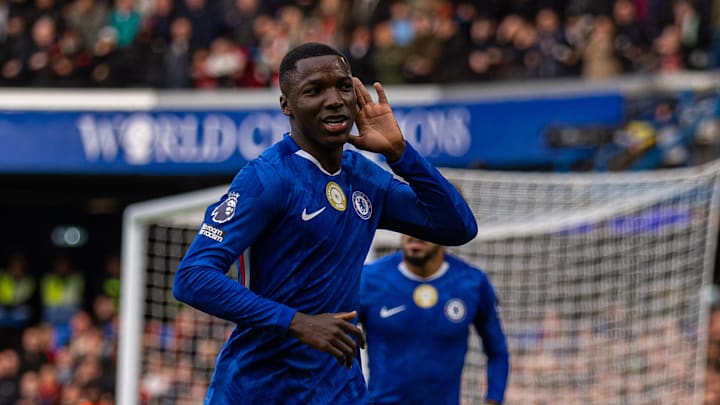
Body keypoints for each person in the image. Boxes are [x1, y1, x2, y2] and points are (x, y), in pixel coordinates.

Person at [172, 42, 477, 404]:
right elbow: (192, 277)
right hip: (260, 388)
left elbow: (458, 228)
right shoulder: (268, 178)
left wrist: (400, 152)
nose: (334, 100)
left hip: (339, 389)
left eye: (344, 87)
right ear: (286, 104)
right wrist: (296, 322)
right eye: (314, 90)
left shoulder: (366, 178)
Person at [359, 234, 509, 405]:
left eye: (424, 226)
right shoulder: (369, 279)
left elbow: (497, 351)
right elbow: (341, 340)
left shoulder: (473, 283)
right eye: (408, 225)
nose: (414, 233)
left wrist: (494, 398)